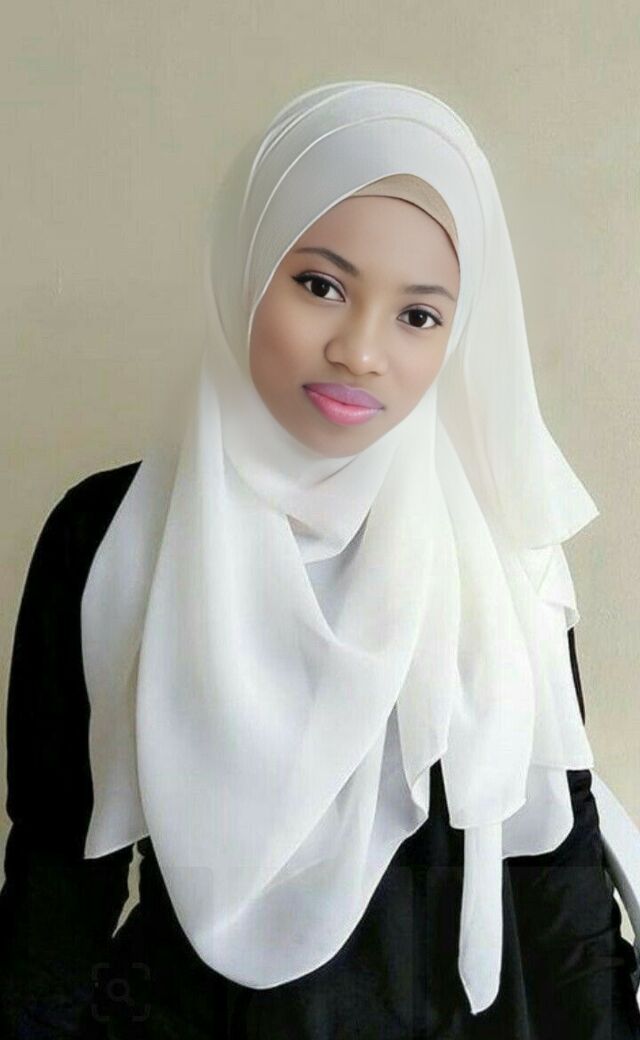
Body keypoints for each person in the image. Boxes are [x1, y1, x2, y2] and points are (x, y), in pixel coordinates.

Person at [1, 79, 639, 1040]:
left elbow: (560, 878)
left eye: (418, 316)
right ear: (245, 267)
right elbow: (58, 877)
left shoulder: (501, 553)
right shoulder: (113, 536)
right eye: (320, 286)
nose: (360, 351)